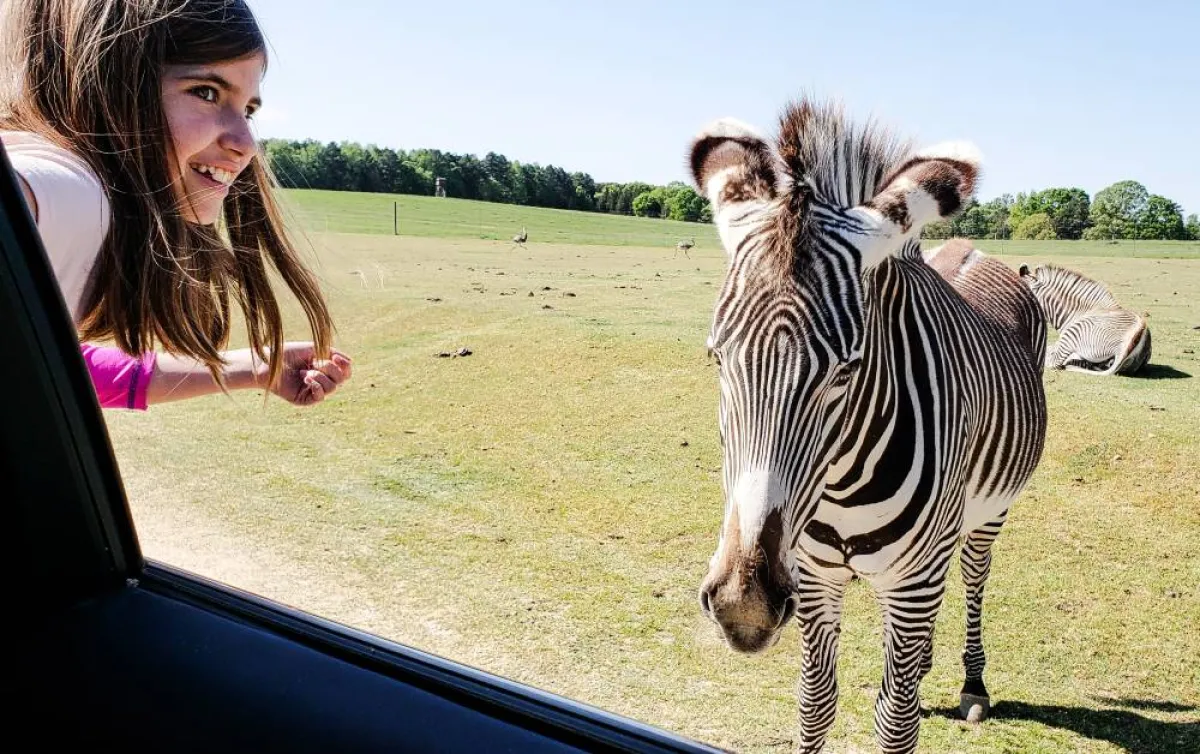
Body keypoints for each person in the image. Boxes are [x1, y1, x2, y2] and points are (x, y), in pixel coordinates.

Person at [0, 0, 350, 409]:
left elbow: (43, 365)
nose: (247, 144)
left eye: (248, 109)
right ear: (110, 81)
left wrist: (254, 367)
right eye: (206, 91)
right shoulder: (73, 193)